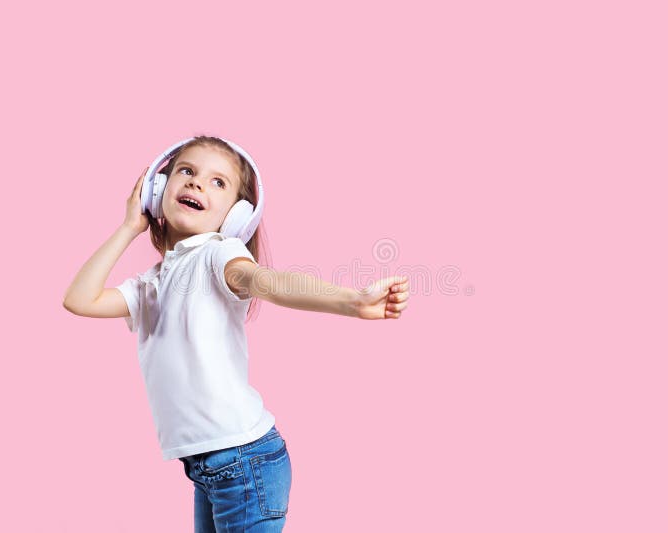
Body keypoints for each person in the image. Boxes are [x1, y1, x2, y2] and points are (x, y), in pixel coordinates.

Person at [63, 135, 410, 532]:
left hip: (244, 463)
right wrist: (129, 227)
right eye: (187, 172)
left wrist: (350, 300)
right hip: (208, 466)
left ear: (236, 218)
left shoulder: (219, 254)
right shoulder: (151, 285)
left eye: (218, 182)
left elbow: (269, 282)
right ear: (157, 191)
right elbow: (79, 299)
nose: (196, 184)